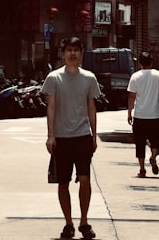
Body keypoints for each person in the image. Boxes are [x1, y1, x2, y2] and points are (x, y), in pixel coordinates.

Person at [41, 37, 101, 240]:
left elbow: (92, 107)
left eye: (76, 50)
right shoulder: (54, 78)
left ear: (81, 52)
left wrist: (94, 135)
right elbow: (50, 107)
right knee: (63, 183)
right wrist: (50, 135)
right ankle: (68, 223)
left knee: (85, 178)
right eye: (69, 50)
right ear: (63, 53)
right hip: (61, 138)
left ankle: (84, 221)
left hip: (83, 136)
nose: (72, 53)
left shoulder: (89, 78)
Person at [126, 51, 159, 177]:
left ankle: (142, 169)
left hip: (139, 116)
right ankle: (153, 156)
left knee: (140, 143)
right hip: (155, 116)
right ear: (152, 62)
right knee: (157, 141)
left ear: (140, 63)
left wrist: (129, 113)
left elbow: (131, 96)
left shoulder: (135, 77)